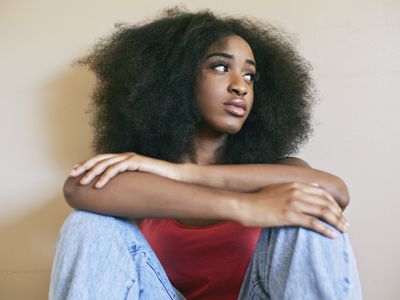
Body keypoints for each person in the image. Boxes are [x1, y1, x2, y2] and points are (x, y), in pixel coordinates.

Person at [49, 7, 363, 300]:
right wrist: (246, 207)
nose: (240, 86)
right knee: (89, 225)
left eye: (250, 76)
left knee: (306, 210)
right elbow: (79, 188)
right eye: (221, 67)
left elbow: (334, 190)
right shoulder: (141, 181)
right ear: (176, 79)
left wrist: (186, 174)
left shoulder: (277, 173)